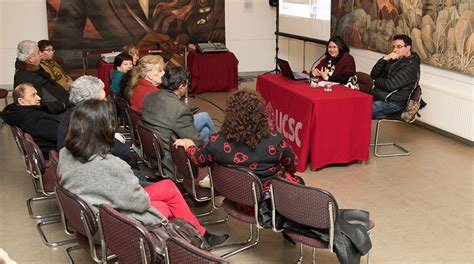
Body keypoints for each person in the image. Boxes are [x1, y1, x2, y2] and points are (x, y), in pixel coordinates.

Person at [58, 99, 228, 247]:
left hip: (88, 216)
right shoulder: (111, 165)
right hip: (108, 226)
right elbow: (139, 203)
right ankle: (192, 240)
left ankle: (199, 234)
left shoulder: (65, 154)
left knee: (168, 186)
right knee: (164, 206)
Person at [174, 89, 303, 193]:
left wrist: (188, 144)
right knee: (299, 182)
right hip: (270, 200)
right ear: (261, 115)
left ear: (231, 115)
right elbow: (293, 166)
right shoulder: (275, 139)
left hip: (234, 196)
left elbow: (198, 159)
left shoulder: (216, 141)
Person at [142, 67, 217, 178]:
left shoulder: (149, 96)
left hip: (154, 151)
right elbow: (197, 141)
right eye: (187, 84)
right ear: (181, 86)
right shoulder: (180, 109)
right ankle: (219, 157)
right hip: (172, 157)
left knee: (205, 130)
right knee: (205, 133)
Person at [56, 75, 135, 168]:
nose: (106, 101)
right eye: (102, 99)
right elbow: (122, 152)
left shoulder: (71, 115)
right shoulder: (87, 121)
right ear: (91, 103)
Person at [1, 83, 59, 158]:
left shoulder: (17, 113)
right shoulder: (33, 119)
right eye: (33, 95)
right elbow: (61, 135)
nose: (39, 98)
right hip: (55, 152)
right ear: (21, 101)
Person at [370, 34, 420, 117]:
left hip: (394, 103)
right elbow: (373, 74)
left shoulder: (411, 67)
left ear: (408, 48)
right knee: (354, 106)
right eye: (394, 47)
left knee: (361, 110)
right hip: (382, 96)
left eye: (399, 47)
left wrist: (376, 81)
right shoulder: (395, 59)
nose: (394, 50)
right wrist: (385, 59)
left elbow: (389, 85)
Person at [14, 40, 69, 114]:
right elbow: (41, 106)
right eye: (38, 52)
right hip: (56, 113)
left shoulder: (35, 68)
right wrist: (64, 104)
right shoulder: (25, 77)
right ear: (30, 58)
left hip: (63, 104)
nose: (40, 54)